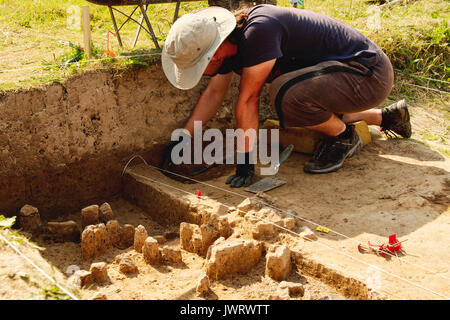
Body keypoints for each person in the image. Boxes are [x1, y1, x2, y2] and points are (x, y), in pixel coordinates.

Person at [161, 4, 411, 187]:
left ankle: (344, 137)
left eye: (197, 67)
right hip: (342, 78)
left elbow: (248, 99)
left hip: (368, 73)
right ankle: (387, 118)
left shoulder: (258, 33)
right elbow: (214, 94)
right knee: (298, 98)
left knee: (285, 94)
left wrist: (245, 160)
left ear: (212, 55)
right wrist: (183, 138)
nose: (200, 73)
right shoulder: (229, 47)